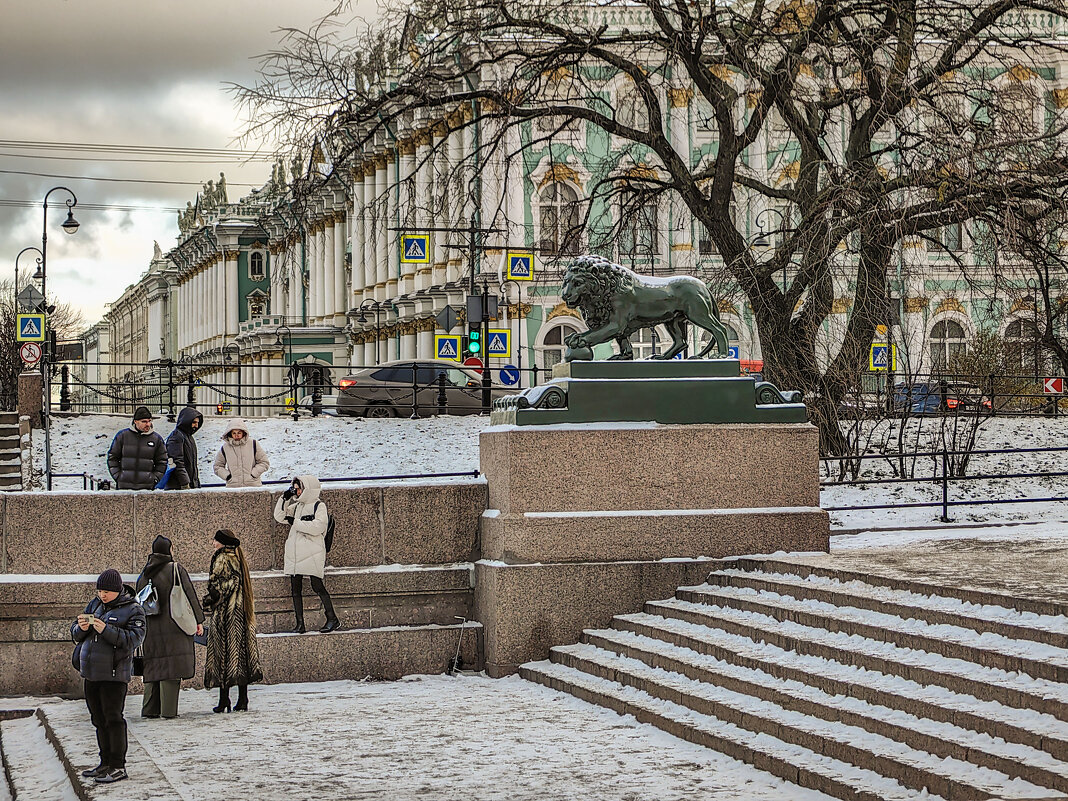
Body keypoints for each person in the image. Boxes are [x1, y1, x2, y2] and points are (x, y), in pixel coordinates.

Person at [70, 568, 146, 785]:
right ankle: (104, 763)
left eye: (106, 591)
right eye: (100, 590)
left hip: (114, 675)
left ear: (117, 590)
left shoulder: (133, 610)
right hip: (91, 673)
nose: (102, 595)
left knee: (113, 719)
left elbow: (133, 639)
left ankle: (118, 765)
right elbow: (75, 633)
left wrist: (106, 629)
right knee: (98, 719)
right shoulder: (95, 604)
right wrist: (81, 628)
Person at [134, 535, 205, 719]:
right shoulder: (174, 569)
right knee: (171, 671)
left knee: (153, 667)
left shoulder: (144, 573)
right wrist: (198, 619)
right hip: (174, 627)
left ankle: (149, 710)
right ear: (169, 549)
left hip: (151, 629)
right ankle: (168, 711)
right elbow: (189, 594)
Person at [202, 529, 262, 713]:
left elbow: (223, 586)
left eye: (215, 540)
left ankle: (224, 699)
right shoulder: (237, 557)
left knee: (223, 656)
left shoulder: (222, 558)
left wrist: (209, 599)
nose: (213, 543)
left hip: (225, 615)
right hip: (240, 613)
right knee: (240, 656)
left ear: (221, 542)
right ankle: (242, 699)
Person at [274, 475, 340, 634]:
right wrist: (284, 498)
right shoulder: (297, 506)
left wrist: (295, 522)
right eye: (295, 488)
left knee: (317, 585)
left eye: (299, 488)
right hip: (296, 552)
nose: (296, 491)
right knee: (295, 588)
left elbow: (318, 526)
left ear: (307, 488)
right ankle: (300, 623)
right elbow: (280, 516)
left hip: (312, 551)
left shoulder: (319, 505)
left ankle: (332, 618)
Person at [106, 406, 168, 490]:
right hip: (124, 486)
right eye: (144, 421)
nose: (148, 424)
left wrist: (154, 479)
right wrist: (118, 476)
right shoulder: (122, 436)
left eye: (149, 421)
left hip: (147, 487)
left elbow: (162, 461)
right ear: (135, 421)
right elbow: (112, 458)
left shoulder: (157, 439)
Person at [212, 419, 270, 487]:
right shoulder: (225, 448)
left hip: (253, 486)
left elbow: (264, 462)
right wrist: (228, 476)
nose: (237, 435)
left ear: (243, 432)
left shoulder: (253, 444)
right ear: (230, 433)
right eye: (234, 433)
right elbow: (217, 466)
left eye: (239, 433)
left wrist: (253, 474)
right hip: (233, 487)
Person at [165, 406, 204, 489]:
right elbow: (177, 461)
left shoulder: (188, 437)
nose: (196, 426)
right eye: (194, 422)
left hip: (188, 483)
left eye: (197, 423)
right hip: (179, 485)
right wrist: (185, 483)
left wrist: (195, 482)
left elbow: (192, 464)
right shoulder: (177, 436)